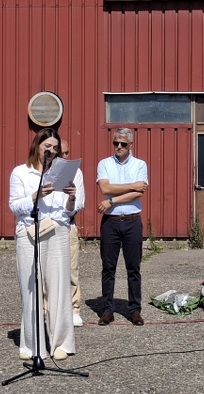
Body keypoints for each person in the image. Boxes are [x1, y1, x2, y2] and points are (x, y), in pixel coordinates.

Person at [9, 128, 83, 361]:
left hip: (58, 231)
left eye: (55, 148)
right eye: (47, 146)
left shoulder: (70, 172)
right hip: (29, 232)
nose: (51, 151)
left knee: (59, 287)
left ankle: (61, 343)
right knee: (30, 287)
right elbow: (14, 206)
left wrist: (71, 197)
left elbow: (72, 209)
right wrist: (35, 196)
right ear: (37, 146)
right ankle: (32, 345)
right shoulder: (21, 172)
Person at [96, 127, 148, 326]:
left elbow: (139, 193)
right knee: (108, 268)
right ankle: (108, 309)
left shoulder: (140, 165)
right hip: (111, 222)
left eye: (123, 144)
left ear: (130, 145)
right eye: (115, 143)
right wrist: (132, 186)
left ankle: (134, 309)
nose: (118, 146)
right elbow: (105, 187)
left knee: (133, 268)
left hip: (132, 221)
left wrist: (112, 200)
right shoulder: (105, 164)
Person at [59, 139, 84, 327]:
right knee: (46, 271)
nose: (64, 156)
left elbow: (79, 203)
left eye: (67, 153)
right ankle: (46, 309)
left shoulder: (76, 173)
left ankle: (74, 309)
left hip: (68, 224)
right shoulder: (44, 173)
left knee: (71, 270)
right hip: (47, 226)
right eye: (61, 153)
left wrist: (69, 206)